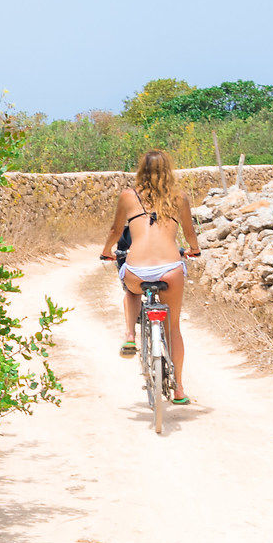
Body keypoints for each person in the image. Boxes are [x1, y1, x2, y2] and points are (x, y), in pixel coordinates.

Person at [99, 149, 200, 403]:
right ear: (169, 169)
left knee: (131, 290)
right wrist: (193, 250)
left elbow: (115, 229)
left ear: (141, 169)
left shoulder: (127, 196)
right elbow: (190, 233)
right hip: (171, 270)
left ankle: (130, 336)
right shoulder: (180, 198)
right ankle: (178, 389)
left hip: (137, 269)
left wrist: (106, 251)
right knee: (173, 327)